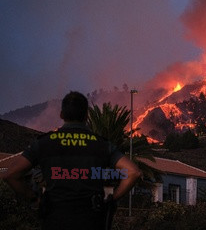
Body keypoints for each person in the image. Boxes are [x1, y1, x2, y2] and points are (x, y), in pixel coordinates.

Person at [3, 91, 142, 230]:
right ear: (87, 115)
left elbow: (11, 175)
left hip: (55, 219)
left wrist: (34, 198)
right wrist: (112, 199)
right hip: (91, 220)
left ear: (61, 115)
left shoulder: (44, 143)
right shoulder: (101, 145)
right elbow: (133, 172)